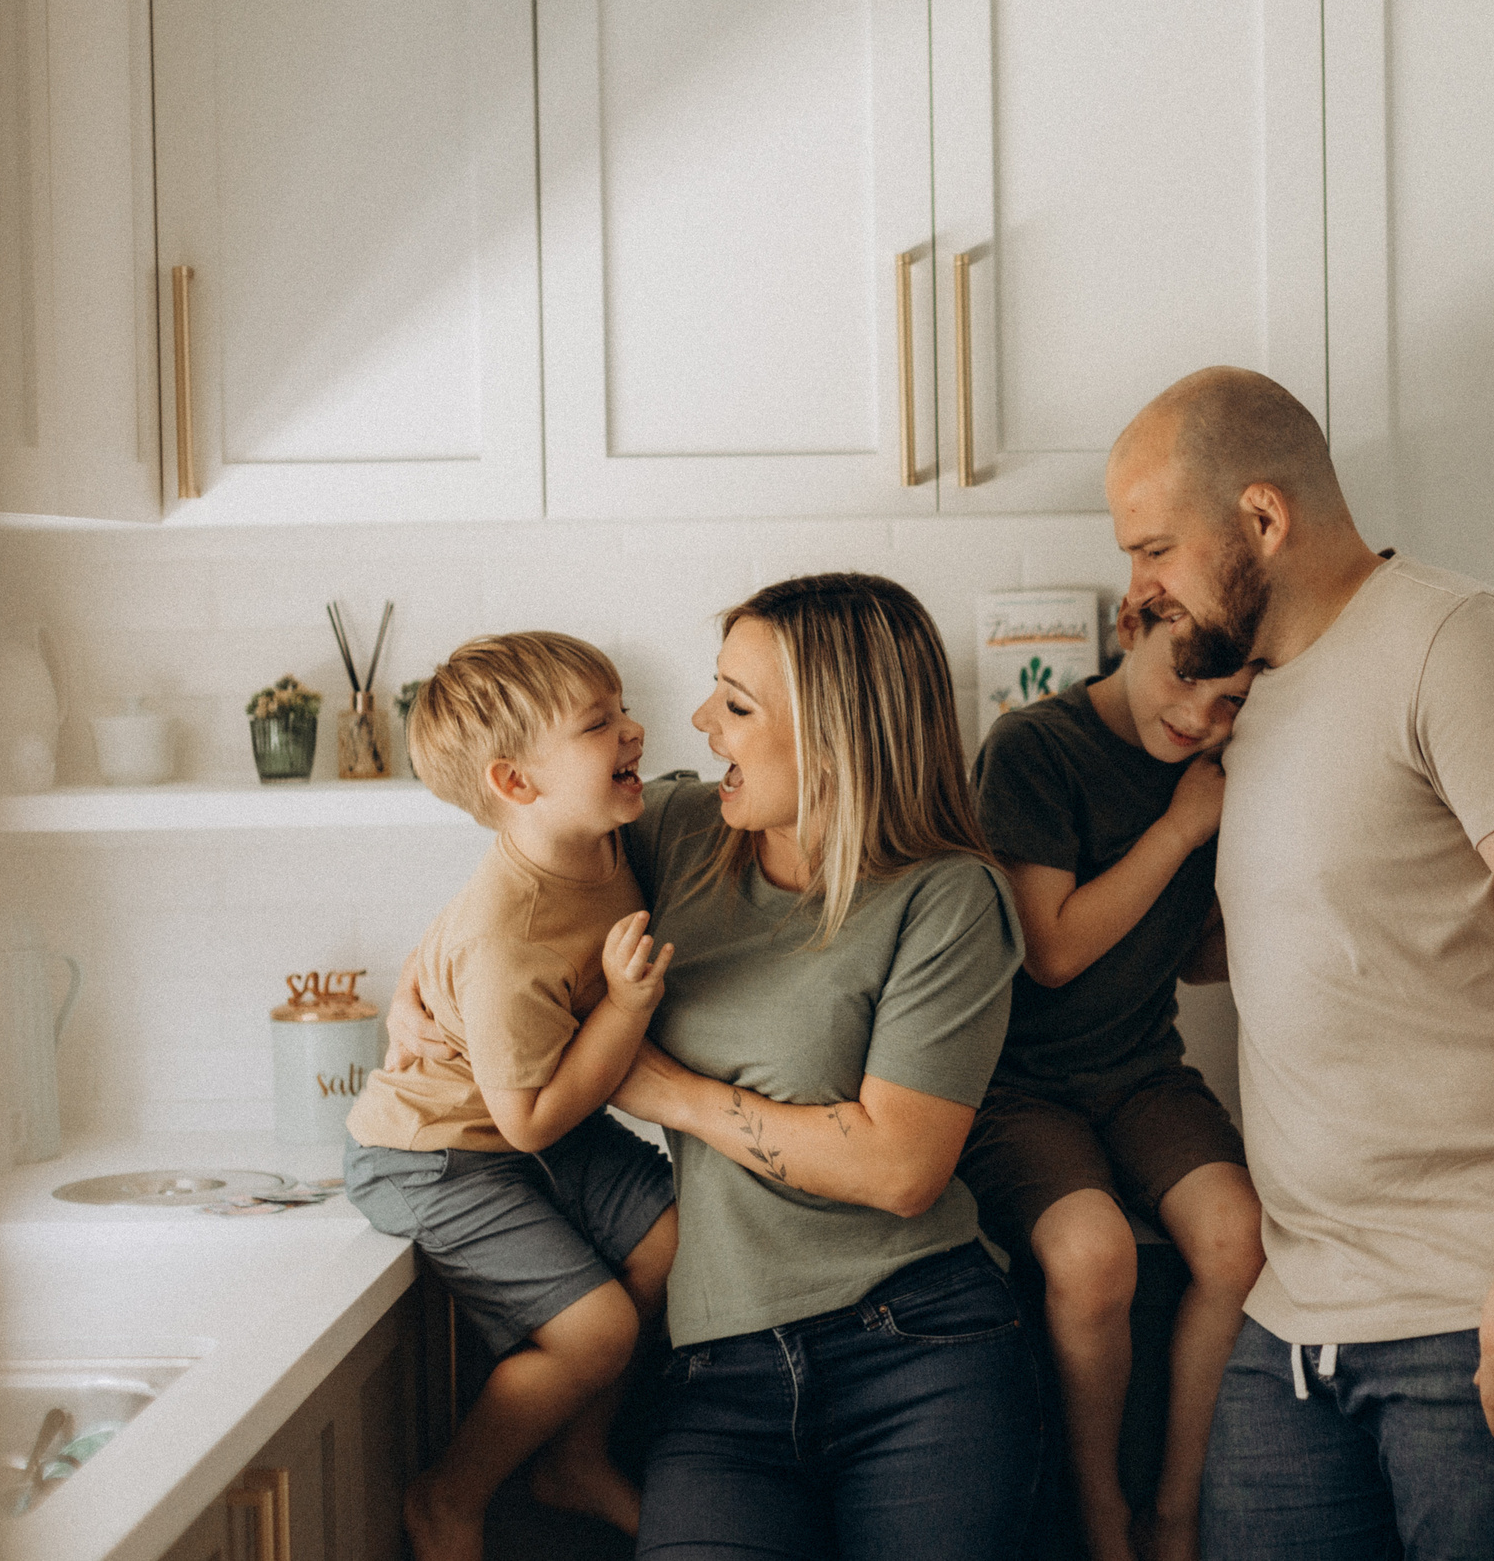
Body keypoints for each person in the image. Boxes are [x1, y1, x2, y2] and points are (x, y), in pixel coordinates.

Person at [1106, 368, 1494, 1561]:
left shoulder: (1459, 646)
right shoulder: (1250, 702)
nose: (1138, 589)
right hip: (1302, 1313)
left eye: (1155, 549)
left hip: (1490, 1303)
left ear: (1262, 518)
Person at [391, 574, 1042, 1561]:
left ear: (835, 735)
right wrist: (419, 993)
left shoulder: (947, 899)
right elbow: (517, 875)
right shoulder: (680, 829)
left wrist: (666, 1091)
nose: (698, 723)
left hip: (918, 1346)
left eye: (736, 705)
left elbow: (900, 1167)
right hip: (719, 1375)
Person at [343, 631, 681, 1561]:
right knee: (597, 1330)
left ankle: (574, 1458)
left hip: (525, 1122)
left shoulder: (599, 835)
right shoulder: (509, 933)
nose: (633, 730)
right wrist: (626, 1006)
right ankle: (451, 1494)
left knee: (672, 1237)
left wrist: (418, 973)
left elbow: (457, 941)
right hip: (435, 1152)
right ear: (516, 782)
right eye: (599, 723)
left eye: (621, 708)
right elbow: (529, 1117)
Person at [962, 601, 1266, 1561]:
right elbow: (1049, 952)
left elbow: (1194, 959)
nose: (1202, 718)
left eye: (1233, 702)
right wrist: (1180, 831)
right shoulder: (1034, 748)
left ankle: (1176, 1506)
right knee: (1094, 1257)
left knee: (1240, 1239)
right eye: (1188, 679)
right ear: (1133, 627)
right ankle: (1099, 1511)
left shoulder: (1217, 769)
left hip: (1140, 1071)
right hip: (1015, 1084)